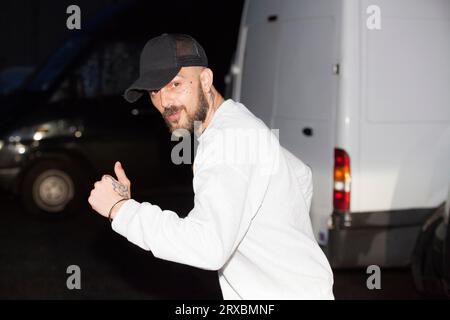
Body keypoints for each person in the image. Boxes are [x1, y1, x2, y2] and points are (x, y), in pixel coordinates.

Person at [88, 33, 334, 299]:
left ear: (205, 80)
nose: (164, 102)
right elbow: (301, 175)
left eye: (175, 84)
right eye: (154, 91)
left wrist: (121, 210)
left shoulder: (228, 140)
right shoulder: (236, 122)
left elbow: (209, 246)